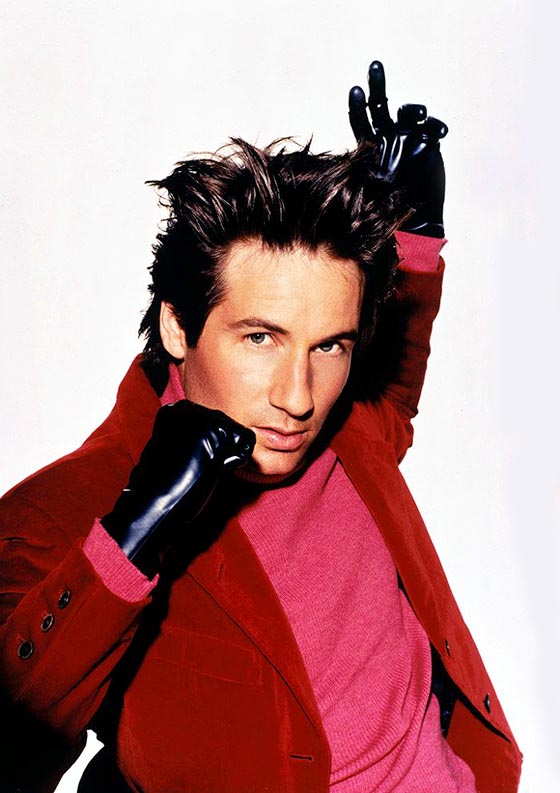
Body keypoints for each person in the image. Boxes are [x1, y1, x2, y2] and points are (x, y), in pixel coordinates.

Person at [0, 61, 521, 792]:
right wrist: (130, 541)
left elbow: (392, 396)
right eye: (260, 338)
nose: (299, 398)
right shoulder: (56, 513)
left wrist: (415, 238)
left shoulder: (351, 431)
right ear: (177, 326)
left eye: (328, 346)